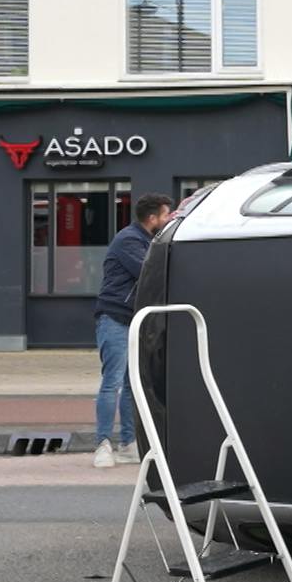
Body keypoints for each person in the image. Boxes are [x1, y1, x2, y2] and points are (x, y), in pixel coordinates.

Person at [92, 193, 174, 469]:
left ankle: (128, 444)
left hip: (134, 320)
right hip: (114, 318)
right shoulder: (130, 240)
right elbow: (148, 272)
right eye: (166, 215)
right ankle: (102, 445)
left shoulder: (147, 241)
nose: (169, 219)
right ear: (152, 218)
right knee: (112, 383)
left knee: (130, 385)